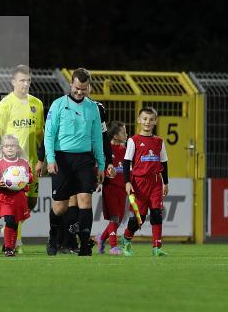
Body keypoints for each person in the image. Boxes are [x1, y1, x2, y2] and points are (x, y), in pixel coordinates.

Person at [44, 68, 105, 257]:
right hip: (62, 159)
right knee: (60, 206)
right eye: (77, 88)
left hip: (84, 159)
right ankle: (53, 236)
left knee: (85, 200)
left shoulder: (93, 108)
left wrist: (101, 164)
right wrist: (50, 158)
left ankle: (85, 246)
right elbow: (49, 134)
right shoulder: (58, 105)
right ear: (71, 84)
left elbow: (97, 138)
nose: (79, 92)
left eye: (83, 89)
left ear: (89, 87)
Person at [0, 65, 45, 253]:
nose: (25, 84)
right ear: (13, 82)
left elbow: (40, 134)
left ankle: (9, 231)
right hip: (12, 165)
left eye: (28, 80)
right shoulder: (4, 105)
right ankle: (15, 241)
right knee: (15, 204)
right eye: (22, 80)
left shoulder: (37, 104)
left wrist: (42, 158)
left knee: (30, 203)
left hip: (32, 163)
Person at [121, 107, 169, 257]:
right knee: (139, 218)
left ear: (155, 121)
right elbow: (126, 162)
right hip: (139, 183)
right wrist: (127, 182)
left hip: (155, 182)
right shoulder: (133, 140)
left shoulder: (159, 141)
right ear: (139, 120)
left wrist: (166, 183)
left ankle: (156, 247)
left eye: (151, 119)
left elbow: (164, 162)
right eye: (145, 119)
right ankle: (126, 238)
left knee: (156, 213)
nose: (147, 122)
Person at [0, 135, 33, 257]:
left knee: (15, 223)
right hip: (5, 198)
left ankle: (11, 246)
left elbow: (30, 177)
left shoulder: (23, 163)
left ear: (18, 148)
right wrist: (0, 184)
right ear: (2, 149)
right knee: (9, 220)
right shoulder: (0, 164)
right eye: (7, 146)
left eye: (13, 146)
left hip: (19, 198)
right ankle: (8, 248)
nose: (10, 148)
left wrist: (25, 178)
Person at [97, 121, 128, 255]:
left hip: (122, 189)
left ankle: (101, 239)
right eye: (123, 132)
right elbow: (98, 167)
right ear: (115, 136)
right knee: (114, 217)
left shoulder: (125, 150)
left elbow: (129, 169)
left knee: (118, 220)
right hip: (110, 188)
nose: (126, 134)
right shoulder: (106, 150)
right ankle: (113, 247)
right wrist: (99, 180)